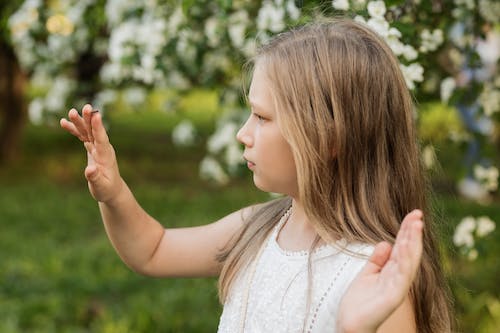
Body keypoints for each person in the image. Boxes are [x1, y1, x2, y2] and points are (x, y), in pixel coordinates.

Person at [60, 19, 452, 332]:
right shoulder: (258, 229)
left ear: (329, 137)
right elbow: (153, 250)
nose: (242, 133)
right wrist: (113, 193)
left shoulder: (377, 282)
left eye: (262, 117)